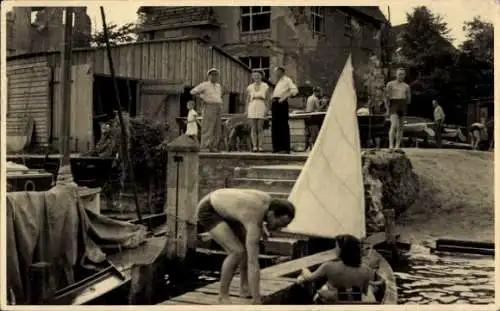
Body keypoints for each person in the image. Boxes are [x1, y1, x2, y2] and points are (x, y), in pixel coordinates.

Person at [196, 188, 296, 304]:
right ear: (273, 214)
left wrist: (263, 224)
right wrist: (257, 299)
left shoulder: (269, 203)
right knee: (237, 252)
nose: (279, 228)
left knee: (245, 249)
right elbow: (253, 263)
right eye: (279, 224)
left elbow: (255, 213)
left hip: (227, 207)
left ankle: (244, 288)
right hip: (209, 210)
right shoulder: (253, 218)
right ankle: (222, 296)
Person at [296, 234, 376, 304]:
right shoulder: (366, 270)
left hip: (332, 303)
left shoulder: (328, 266)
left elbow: (309, 278)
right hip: (352, 303)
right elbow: (364, 291)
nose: (335, 250)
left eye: (336, 247)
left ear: (342, 250)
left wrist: (304, 268)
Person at [190, 68, 225, 152]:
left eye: (216, 74)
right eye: (212, 74)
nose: (214, 76)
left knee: (217, 127)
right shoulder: (204, 85)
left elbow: (219, 96)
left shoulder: (218, 86)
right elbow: (193, 92)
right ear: (208, 76)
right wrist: (202, 98)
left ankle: (213, 146)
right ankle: (205, 146)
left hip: (218, 106)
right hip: (209, 106)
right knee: (208, 127)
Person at [271, 66, 299, 154]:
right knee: (275, 126)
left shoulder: (287, 80)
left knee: (283, 125)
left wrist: (285, 97)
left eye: (276, 72)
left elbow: (295, 90)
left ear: (281, 72)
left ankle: (285, 148)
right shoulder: (278, 81)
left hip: (281, 103)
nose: (275, 74)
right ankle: (277, 148)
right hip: (275, 103)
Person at [384, 68, 411, 149]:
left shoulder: (406, 86)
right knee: (394, 125)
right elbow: (386, 98)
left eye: (403, 74)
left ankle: (397, 146)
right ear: (396, 75)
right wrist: (387, 109)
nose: (401, 76)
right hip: (394, 104)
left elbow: (409, 99)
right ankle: (391, 145)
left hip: (402, 104)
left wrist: (407, 98)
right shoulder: (390, 84)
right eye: (400, 74)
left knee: (401, 127)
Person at [245, 70, 270, 152]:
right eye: (254, 76)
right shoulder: (250, 87)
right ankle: (254, 146)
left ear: (261, 76)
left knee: (259, 128)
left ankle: (260, 146)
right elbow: (247, 100)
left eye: (258, 75)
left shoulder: (265, 86)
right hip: (252, 106)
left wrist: (267, 109)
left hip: (261, 106)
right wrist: (246, 110)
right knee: (253, 128)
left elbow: (267, 99)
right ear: (252, 77)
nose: (256, 77)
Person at [304, 87, 322, 151]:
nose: (319, 93)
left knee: (308, 134)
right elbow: (318, 109)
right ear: (316, 92)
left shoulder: (309, 98)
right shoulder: (315, 99)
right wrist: (323, 104)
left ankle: (307, 147)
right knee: (314, 134)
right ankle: (311, 148)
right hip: (313, 118)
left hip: (307, 117)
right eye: (319, 92)